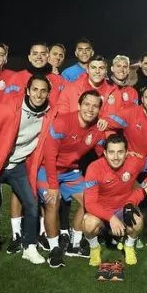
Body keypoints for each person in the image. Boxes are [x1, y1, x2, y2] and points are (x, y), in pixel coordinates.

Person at [0, 75, 58, 270]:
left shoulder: (50, 113)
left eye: (43, 90)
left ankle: (29, 246)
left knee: (32, 204)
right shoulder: (9, 108)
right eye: (35, 90)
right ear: (27, 90)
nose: (39, 94)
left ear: (48, 93)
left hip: (19, 165)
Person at [38, 90, 108, 267]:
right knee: (52, 202)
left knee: (90, 200)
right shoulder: (62, 122)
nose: (90, 109)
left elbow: (102, 156)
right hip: (47, 169)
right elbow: (49, 155)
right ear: (78, 105)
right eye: (86, 104)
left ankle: (75, 244)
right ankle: (54, 248)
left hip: (71, 172)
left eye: (95, 106)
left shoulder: (98, 131)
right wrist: (53, 185)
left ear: (99, 109)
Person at [80, 134, 147, 268]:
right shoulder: (94, 168)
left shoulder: (134, 161)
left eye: (120, 152)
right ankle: (94, 248)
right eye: (111, 152)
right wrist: (111, 218)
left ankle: (129, 246)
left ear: (127, 153)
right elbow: (89, 204)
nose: (116, 157)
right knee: (88, 223)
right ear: (104, 153)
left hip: (123, 210)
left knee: (138, 221)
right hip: (101, 212)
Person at [108, 84, 147, 172]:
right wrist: (121, 152)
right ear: (142, 99)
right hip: (126, 161)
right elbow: (105, 124)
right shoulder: (129, 113)